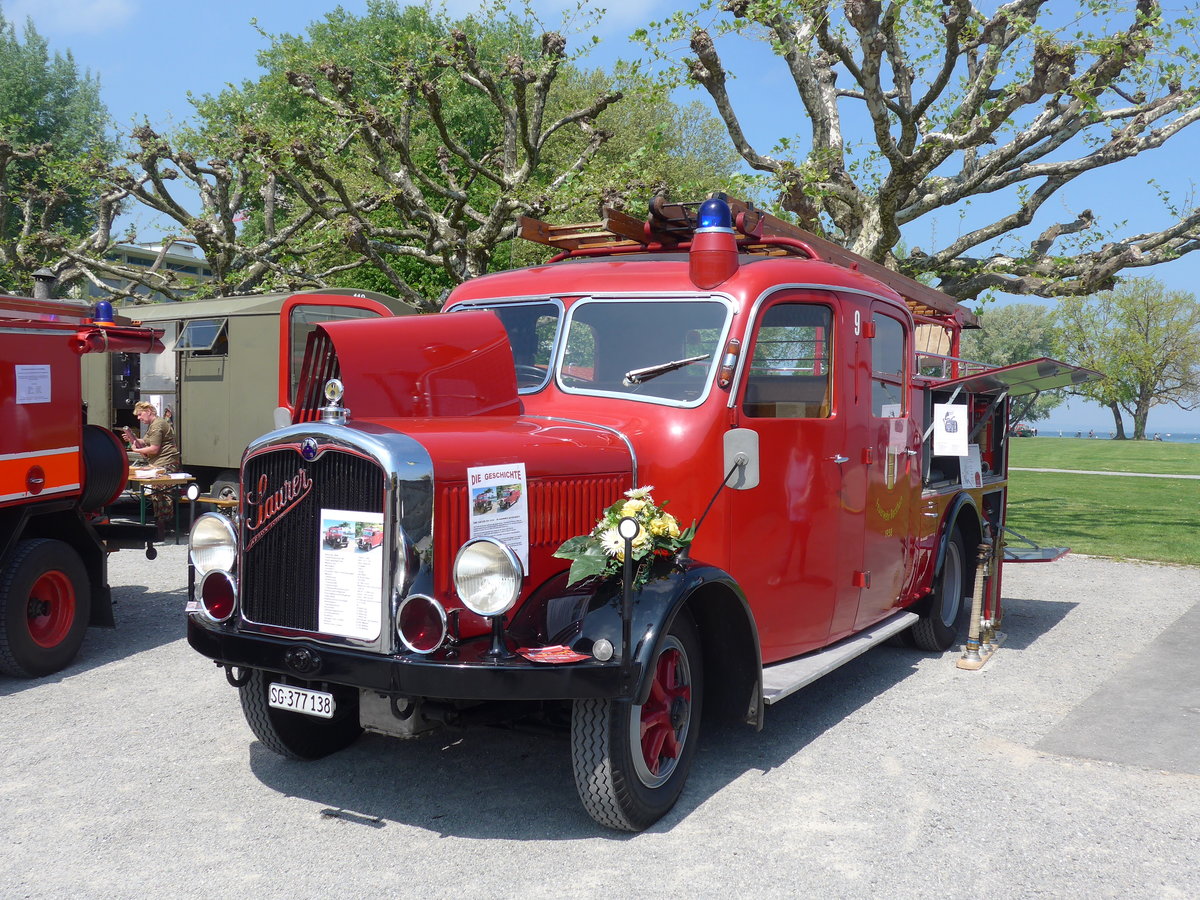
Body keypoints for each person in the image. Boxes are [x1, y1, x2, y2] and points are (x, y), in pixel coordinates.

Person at [123, 400, 181, 536]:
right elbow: (146, 441)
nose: (138, 418)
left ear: (148, 412)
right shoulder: (153, 425)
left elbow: (154, 449)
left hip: (166, 463)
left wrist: (135, 451)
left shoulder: (157, 425)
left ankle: (164, 522)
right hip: (158, 463)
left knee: (160, 488)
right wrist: (133, 438)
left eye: (140, 414)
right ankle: (160, 520)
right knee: (154, 488)